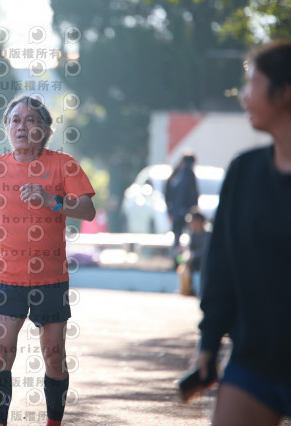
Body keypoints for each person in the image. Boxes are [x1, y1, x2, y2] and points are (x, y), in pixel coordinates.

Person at [0, 95, 96, 426]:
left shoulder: (64, 164)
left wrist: (52, 200)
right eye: (15, 120)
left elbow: (88, 210)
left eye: (30, 120)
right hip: (7, 278)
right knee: (0, 354)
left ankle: (53, 422)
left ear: (44, 129)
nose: (21, 126)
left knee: (54, 357)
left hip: (51, 279)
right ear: (7, 127)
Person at [191, 40, 291, 425]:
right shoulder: (244, 172)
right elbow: (221, 266)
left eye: (252, 83)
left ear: (285, 92)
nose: (243, 96)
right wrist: (209, 342)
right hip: (253, 361)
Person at [165, 152, 199, 262]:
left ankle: (177, 259)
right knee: (190, 238)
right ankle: (185, 260)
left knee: (177, 238)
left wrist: (170, 209)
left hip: (176, 211)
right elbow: (194, 194)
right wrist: (193, 209)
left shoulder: (176, 174)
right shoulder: (189, 174)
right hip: (187, 211)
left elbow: (168, 193)